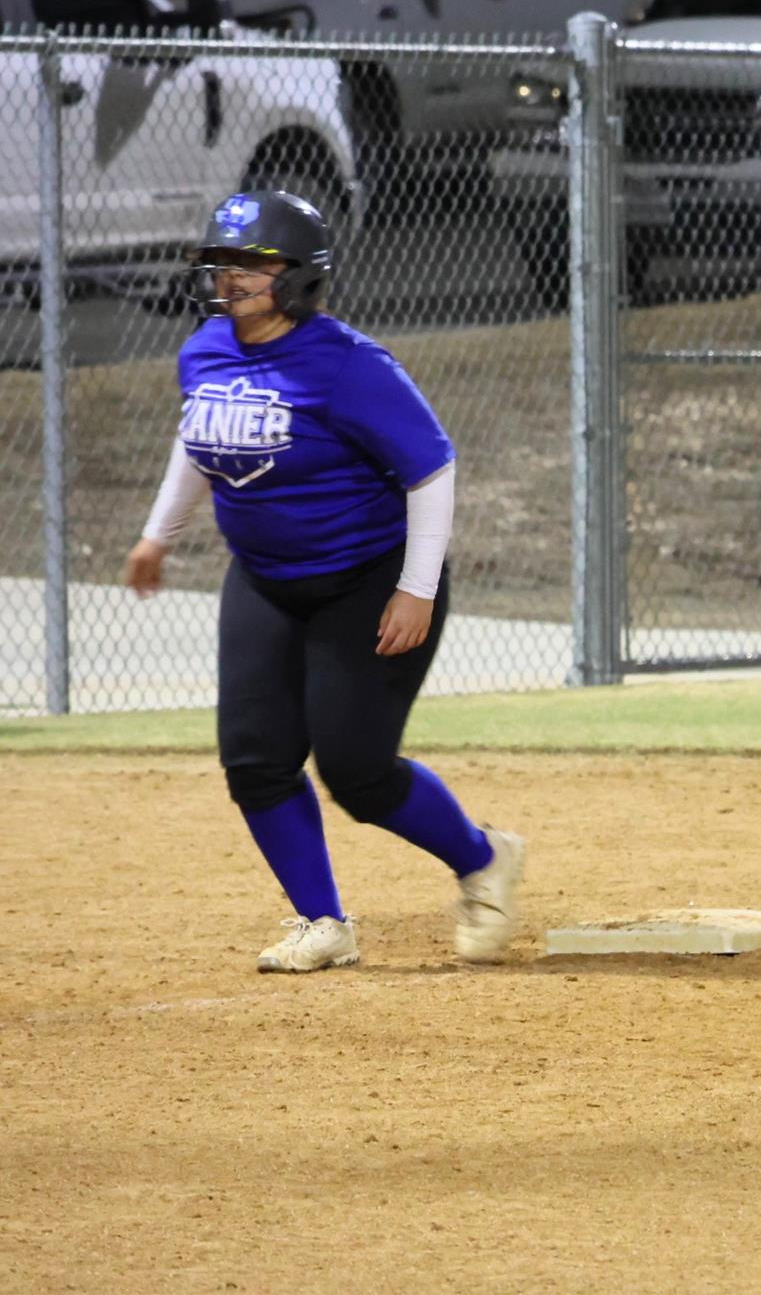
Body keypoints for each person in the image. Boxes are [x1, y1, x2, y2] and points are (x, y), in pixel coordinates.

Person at [123, 190, 525, 974]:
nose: (232, 277)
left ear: (301, 276)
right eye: (224, 262)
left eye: (255, 264)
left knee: (357, 771)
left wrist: (414, 587)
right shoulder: (204, 349)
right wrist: (156, 536)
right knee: (255, 759)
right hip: (266, 579)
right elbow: (201, 434)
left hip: (367, 579)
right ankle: (322, 923)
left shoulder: (347, 364)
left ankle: (483, 860)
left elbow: (432, 468)